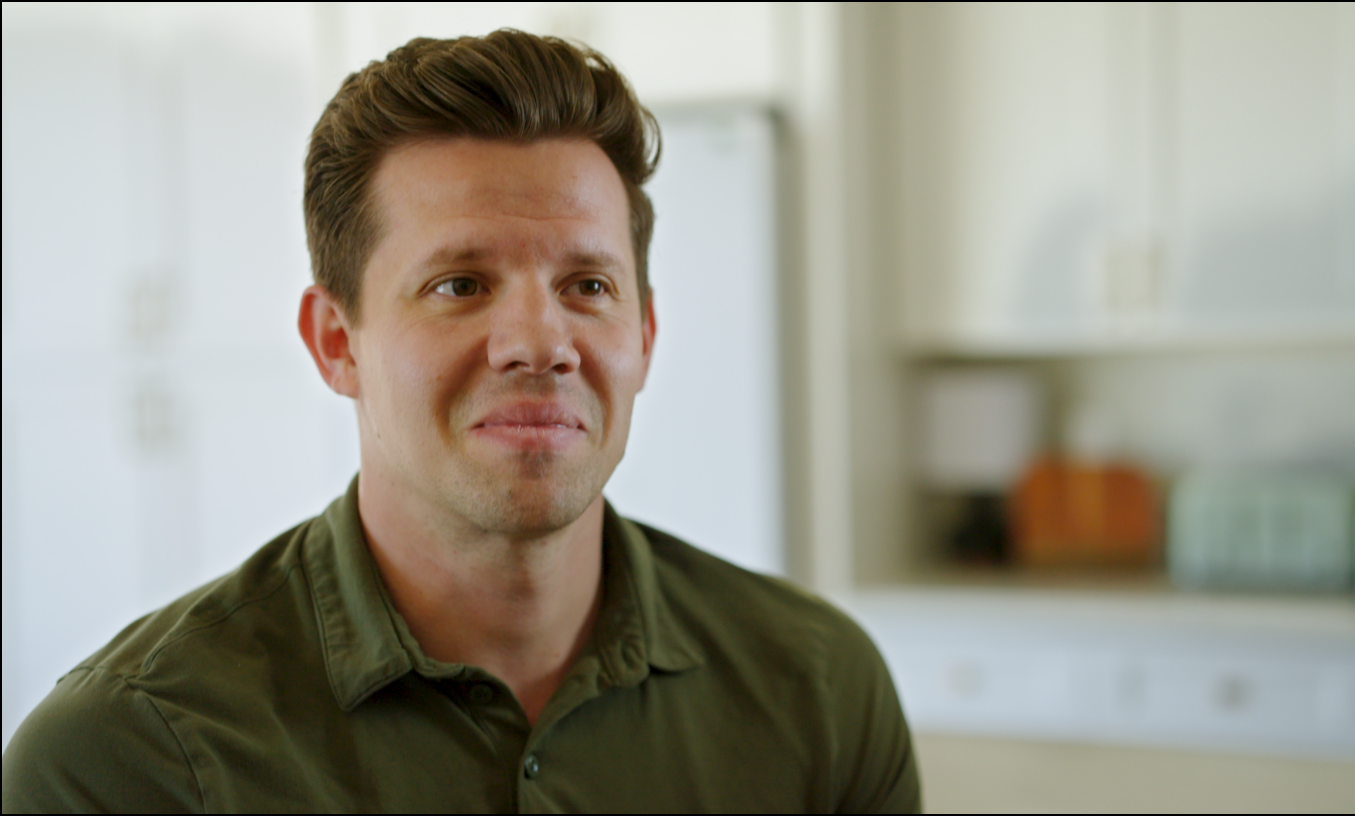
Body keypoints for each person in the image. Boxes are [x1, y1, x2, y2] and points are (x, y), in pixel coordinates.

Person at [1, 30, 920, 813]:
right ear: (336, 342)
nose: (539, 341)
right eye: (460, 285)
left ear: (642, 335)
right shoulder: (123, 762)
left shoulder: (820, 692)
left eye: (587, 286)